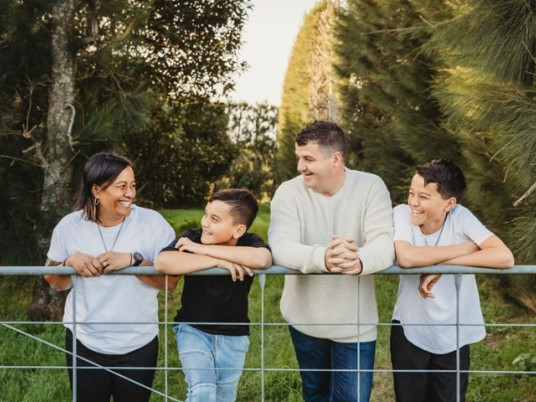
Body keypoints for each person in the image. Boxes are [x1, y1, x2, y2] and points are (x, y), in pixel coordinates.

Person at [268, 120, 395, 402]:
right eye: (299, 158)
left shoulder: (371, 186)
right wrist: (324, 257)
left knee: (353, 399)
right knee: (315, 395)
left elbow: (385, 243)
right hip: (304, 319)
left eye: (309, 159)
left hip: (356, 323)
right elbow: (280, 246)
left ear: (335, 158)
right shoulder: (288, 192)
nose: (301, 166)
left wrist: (359, 260)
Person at [44, 151, 179, 402]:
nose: (130, 193)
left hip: (138, 344)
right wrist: (69, 263)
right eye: (121, 187)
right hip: (84, 341)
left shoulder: (152, 223)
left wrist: (134, 261)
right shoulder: (69, 226)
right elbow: (55, 281)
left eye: (133, 185)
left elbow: (171, 282)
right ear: (97, 190)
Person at [390, 159, 514, 402]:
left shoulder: (461, 217)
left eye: (424, 196)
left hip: (453, 334)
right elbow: (406, 257)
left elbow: (504, 257)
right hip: (409, 330)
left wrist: (442, 267)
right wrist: (466, 248)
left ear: (449, 203)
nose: (414, 202)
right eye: (411, 193)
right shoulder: (402, 214)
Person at [154, 188, 272, 402]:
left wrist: (201, 250)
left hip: (234, 336)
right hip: (193, 330)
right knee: (203, 391)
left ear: (238, 230)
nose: (205, 223)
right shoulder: (194, 236)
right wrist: (216, 262)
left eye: (215, 219)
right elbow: (162, 262)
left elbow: (262, 259)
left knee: (224, 398)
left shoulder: (249, 242)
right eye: (205, 214)